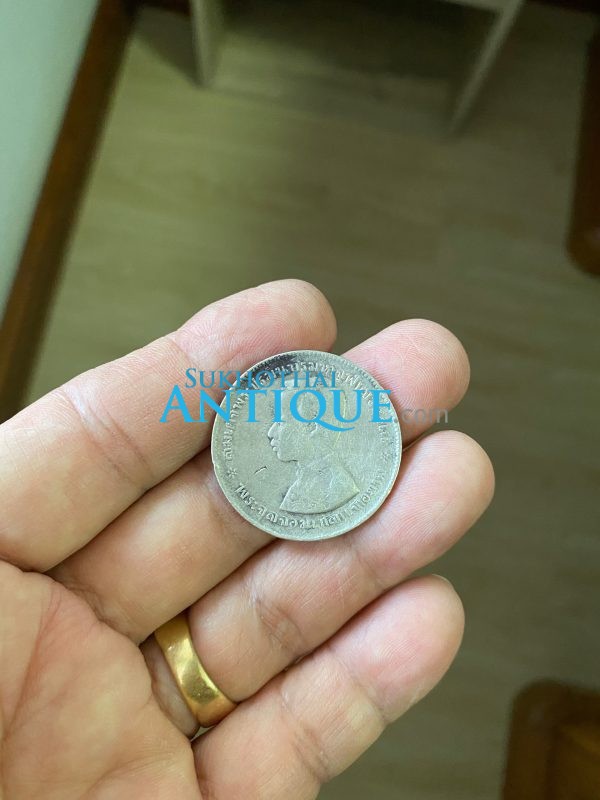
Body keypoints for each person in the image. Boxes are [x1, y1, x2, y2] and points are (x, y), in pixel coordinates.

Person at [0, 279, 494, 799]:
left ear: (314, 429)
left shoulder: (329, 489)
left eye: (283, 423)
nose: (272, 431)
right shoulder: (303, 491)